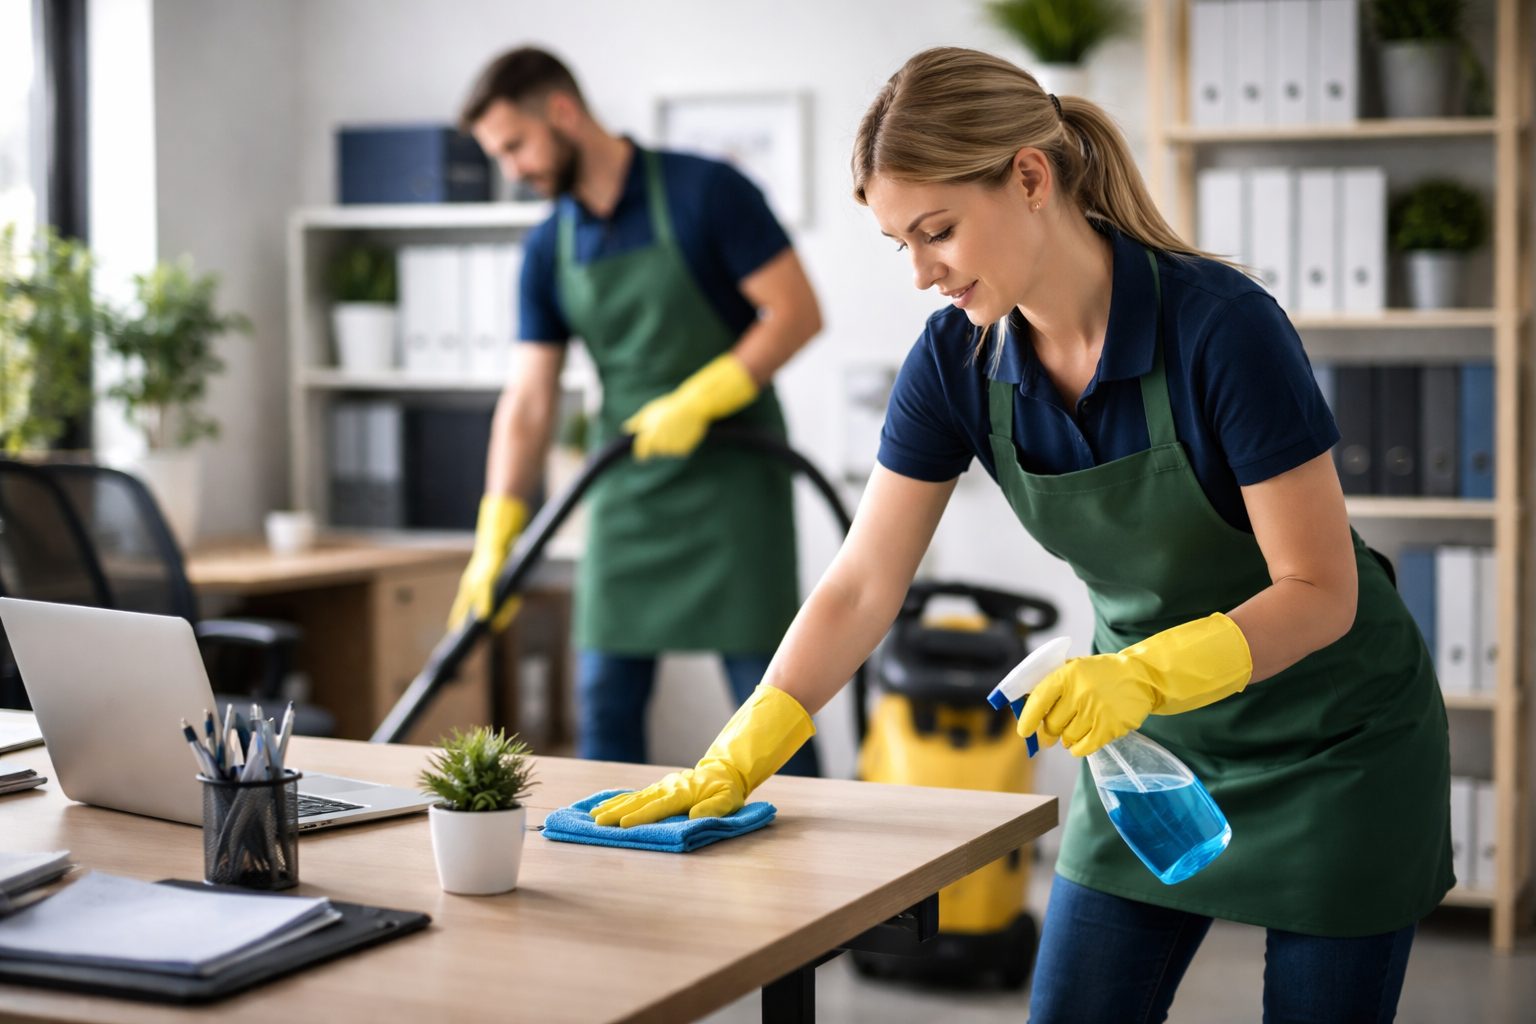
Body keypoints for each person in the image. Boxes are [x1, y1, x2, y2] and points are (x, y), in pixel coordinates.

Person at [589, 47, 1451, 1022]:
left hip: (1333, 747)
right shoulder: (957, 362)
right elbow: (863, 583)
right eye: (898, 244)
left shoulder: (1221, 329)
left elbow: (1320, 591)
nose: (920, 273)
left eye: (938, 231)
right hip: (1150, 747)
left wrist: (1141, 676)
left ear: (1031, 178)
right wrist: (744, 746)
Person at [450, 47, 823, 775]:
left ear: (561, 112)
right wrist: (496, 528)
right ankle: (606, 864)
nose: (513, 169)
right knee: (605, 702)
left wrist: (701, 396)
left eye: (515, 146)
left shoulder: (706, 191)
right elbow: (529, 400)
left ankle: (821, 875)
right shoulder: (547, 246)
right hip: (628, 479)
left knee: (772, 701)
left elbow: (797, 312)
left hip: (735, 475)